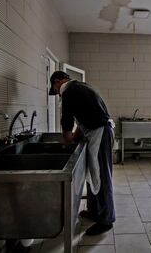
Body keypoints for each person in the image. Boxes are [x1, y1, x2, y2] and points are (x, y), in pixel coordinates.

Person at [49, 71, 115, 236]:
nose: (58, 94)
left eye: (55, 90)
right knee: (93, 175)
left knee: (101, 177)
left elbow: (67, 119)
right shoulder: (79, 88)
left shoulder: (68, 90)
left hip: (100, 132)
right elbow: (84, 119)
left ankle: (106, 220)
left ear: (58, 81)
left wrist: (67, 139)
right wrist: (74, 137)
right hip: (99, 131)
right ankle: (94, 211)